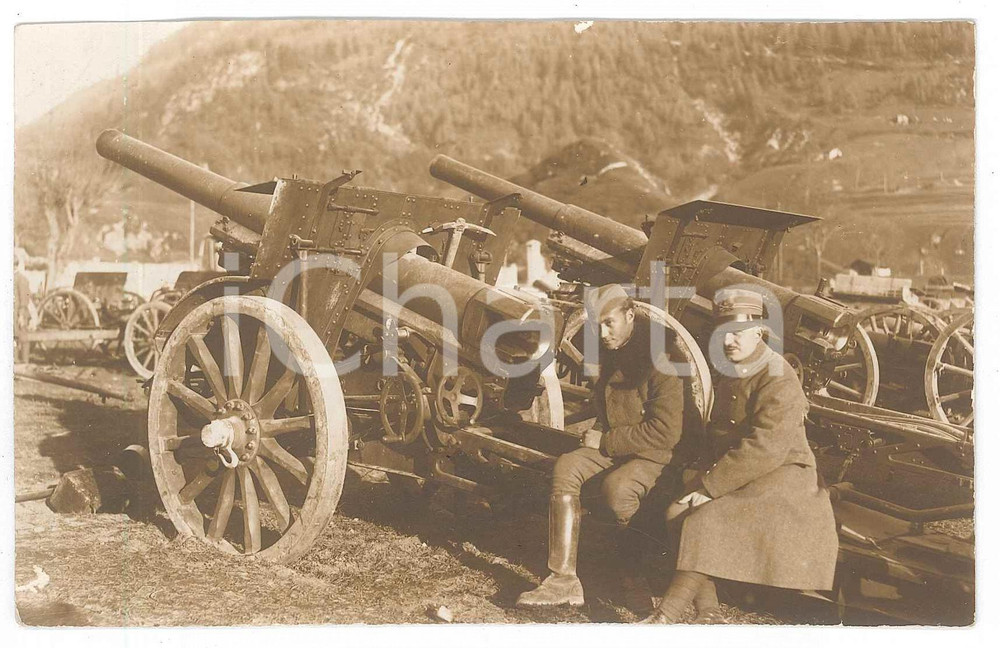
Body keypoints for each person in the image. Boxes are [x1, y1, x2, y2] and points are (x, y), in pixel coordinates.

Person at [642, 288, 839, 623]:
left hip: (785, 478)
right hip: (745, 472)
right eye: (723, 332)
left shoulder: (776, 373)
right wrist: (697, 477)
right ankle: (709, 612)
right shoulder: (731, 369)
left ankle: (665, 617)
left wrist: (708, 488)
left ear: (760, 330)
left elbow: (767, 446)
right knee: (677, 509)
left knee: (705, 517)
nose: (729, 340)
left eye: (737, 332)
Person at [517, 283, 687, 610]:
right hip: (613, 448)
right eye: (598, 325)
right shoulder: (613, 352)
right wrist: (601, 434)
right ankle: (563, 578)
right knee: (566, 465)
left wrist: (606, 440)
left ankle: (633, 574)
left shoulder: (659, 361)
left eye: (610, 322)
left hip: (650, 454)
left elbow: (667, 432)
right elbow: (608, 406)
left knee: (617, 490)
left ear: (630, 315)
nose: (603, 332)